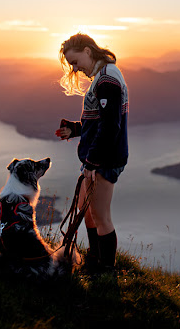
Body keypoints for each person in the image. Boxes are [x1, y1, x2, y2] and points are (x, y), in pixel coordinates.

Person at [55, 33, 129, 273]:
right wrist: (75, 129)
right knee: (86, 210)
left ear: (88, 51)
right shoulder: (102, 77)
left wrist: (92, 163)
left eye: (75, 62)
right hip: (96, 158)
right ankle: (94, 259)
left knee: (100, 215)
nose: (75, 69)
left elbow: (110, 127)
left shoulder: (107, 80)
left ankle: (106, 270)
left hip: (103, 161)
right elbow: (100, 122)